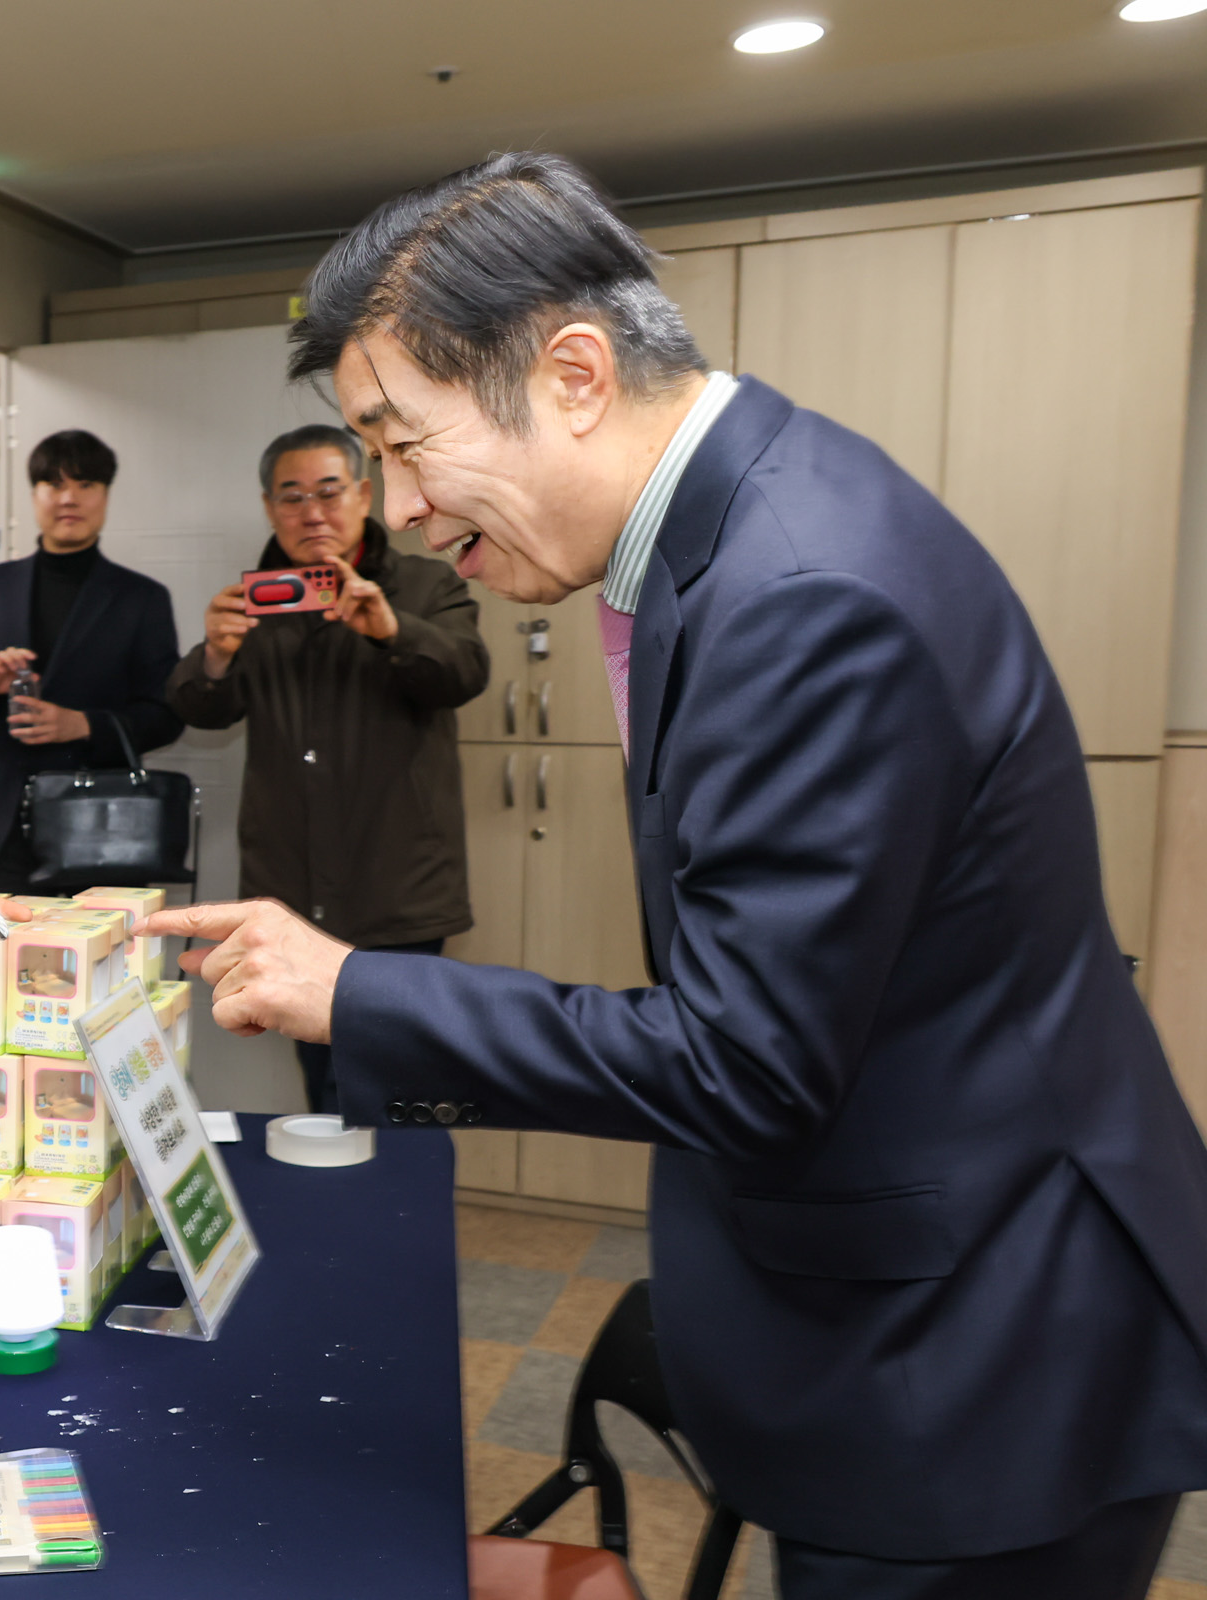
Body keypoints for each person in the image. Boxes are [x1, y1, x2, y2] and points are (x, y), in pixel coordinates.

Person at [147, 153, 1207, 1597]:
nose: (401, 508)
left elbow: (747, 1060)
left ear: (574, 374)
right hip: (916, 1304)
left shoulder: (802, 594)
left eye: (403, 445)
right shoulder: (737, 528)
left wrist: (356, 991)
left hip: (980, 1363)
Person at [166, 423, 487, 1116]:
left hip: (396, 890)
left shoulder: (425, 584)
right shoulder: (256, 601)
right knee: (323, 1087)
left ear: (364, 496)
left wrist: (391, 630)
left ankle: (402, 1189)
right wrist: (215, 655)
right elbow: (200, 708)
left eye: (328, 492)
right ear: (269, 508)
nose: (311, 512)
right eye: (292, 497)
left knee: (400, 1085)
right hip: (288, 893)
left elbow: (465, 672)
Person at [0, 430, 181, 892]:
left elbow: (167, 716)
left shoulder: (141, 598)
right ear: (34, 495)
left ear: (106, 495)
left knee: (107, 941)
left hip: (101, 829)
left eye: (86, 485)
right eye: (54, 484)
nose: (69, 498)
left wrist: (84, 725)